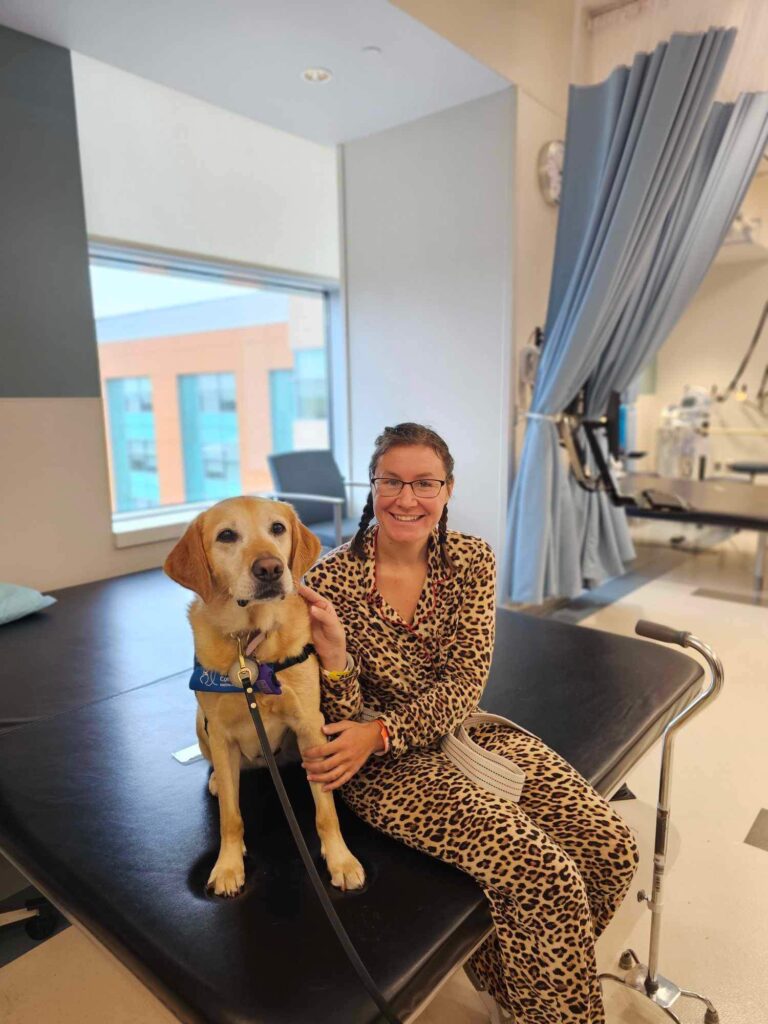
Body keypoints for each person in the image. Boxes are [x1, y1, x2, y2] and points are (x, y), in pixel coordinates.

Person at [299, 422, 638, 1024]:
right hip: (379, 767)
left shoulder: (471, 561)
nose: (407, 499)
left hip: (461, 733)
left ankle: (517, 986)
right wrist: (335, 661)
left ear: (448, 489)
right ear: (371, 487)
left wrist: (384, 728)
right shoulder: (330, 581)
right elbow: (338, 717)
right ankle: (546, 1005)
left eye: (424, 483)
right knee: (546, 874)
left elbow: (463, 685)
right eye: (392, 482)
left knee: (611, 848)